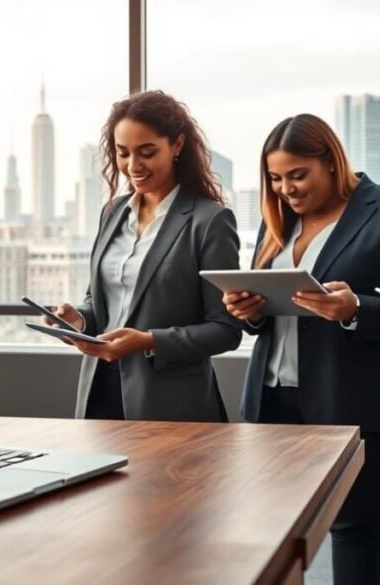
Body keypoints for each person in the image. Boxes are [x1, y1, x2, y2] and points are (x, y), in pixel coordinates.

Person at [223, 114, 380, 585]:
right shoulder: (277, 218)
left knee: (356, 529)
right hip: (274, 400)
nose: (287, 189)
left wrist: (354, 309)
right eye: (276, 179)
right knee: (273, 533)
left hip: (361, 402)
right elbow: (270, 313)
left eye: (298, 175)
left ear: (332, 161)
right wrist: (251, 310)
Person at [47, 90, 241, 421]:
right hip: (100, 392)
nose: (133, 166)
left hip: (170, 404)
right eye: (123, 153)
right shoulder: (113, 212)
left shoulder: (209, 222)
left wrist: (148, 341)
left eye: (147, 152)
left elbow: (225, 329)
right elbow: (100, 302)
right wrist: (77, 321)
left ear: (177, 145)